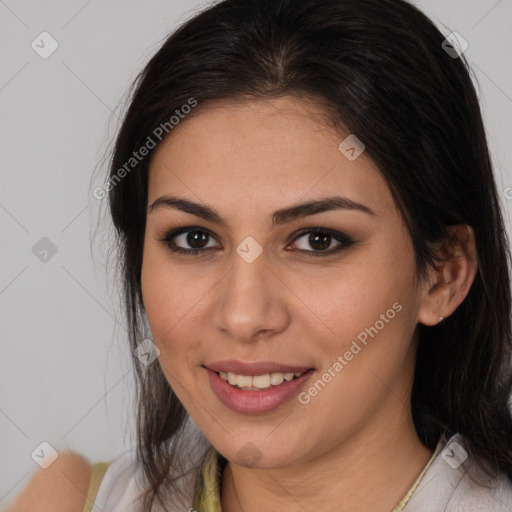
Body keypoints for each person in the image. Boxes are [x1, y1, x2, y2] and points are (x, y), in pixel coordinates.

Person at [8, 0, 512, 510]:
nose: (243, 315)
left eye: (318, 240)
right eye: (194, 239)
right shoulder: (67, 500)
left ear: (445, 275)